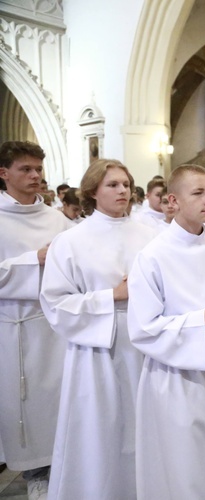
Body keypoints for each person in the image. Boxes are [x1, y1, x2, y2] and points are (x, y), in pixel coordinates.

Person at [127, 164, 205, 499]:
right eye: (198, 193)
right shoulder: (152, 256)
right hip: (174, 378)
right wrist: (203, 318)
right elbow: (142, 329)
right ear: (173, 200)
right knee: (179, 465)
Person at [40, 159, 156, 500]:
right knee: (99, 430)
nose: (123, 190)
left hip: (144, 345)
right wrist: (111, 297)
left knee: (142, 427)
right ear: (92, 191)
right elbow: (56, 303)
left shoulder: (151, 236)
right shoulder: (71, 241)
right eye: (113, 185)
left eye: (126, 183)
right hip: (96, 349)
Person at [0, 141, 71, 500]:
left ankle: (62, 468)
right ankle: (35, 473)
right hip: (15, 329)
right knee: (24, 403)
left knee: (60, 399)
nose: (35, 176)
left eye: (38, 169)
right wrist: (35, 260)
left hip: (54, 325)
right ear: (4, 173)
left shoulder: (56, 219)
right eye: (26, 169)